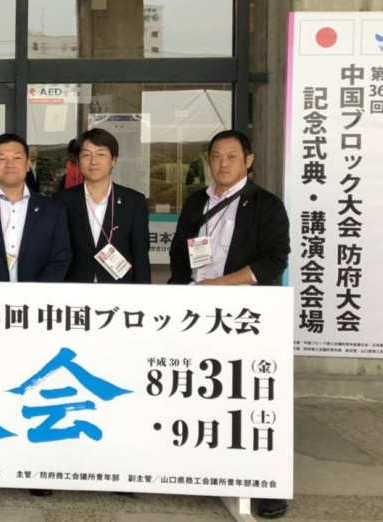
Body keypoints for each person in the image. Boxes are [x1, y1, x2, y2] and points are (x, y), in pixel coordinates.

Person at [167, 130, 289, 519]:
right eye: (216, 156)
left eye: (232, 156)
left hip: (243, 315)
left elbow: (273, 262)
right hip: (196, 314)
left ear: (249, 161)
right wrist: (184, 290)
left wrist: (218, 286)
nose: (222, 164)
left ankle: (265, 484)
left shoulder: (266, 205)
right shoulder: (196, 201)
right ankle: (204, 468)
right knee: (200, 392)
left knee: (250, 400)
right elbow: (180, 250)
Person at [0, 133, 71, 283]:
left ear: (27, 164)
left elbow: (60, 259)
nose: (9, 164)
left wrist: (36, 293)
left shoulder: (52, 210)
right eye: (2, 159)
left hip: (35, 295)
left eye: (17, 158)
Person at [53, 128, 150, 284]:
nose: (93, 162)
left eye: (101, 154)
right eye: (86, 155)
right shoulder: (62, 201)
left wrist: (143, 293)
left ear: (114, 160)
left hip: (119, 289)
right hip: (74, 289)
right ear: (78, 160)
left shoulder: (133, 202)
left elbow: (140, 257)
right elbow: (54, 253)